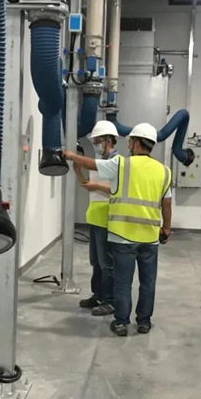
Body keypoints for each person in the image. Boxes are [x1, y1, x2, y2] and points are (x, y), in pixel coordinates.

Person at [64, 123, 172, 337]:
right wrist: (166, 228)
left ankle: (121, 322)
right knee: (148, 283)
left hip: (123, 236)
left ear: (137, 143)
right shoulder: (164, 171)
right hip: (150, 237)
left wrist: (71, 155)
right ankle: (144, 322)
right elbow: (166, 203)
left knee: (123, 282)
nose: (128, 145)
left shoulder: (121, 164)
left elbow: (92, 164)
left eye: (130, 141)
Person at [74, 121, 119, 316]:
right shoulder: (99, 162)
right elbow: (88, 185)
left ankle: (110, 301)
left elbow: (118, 190)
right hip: (94, 216)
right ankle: (98, 295)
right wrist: (78, 172)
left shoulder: (116, 162)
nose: (96, 145)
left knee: (107, 263)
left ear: (108, 140)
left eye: (98, 141)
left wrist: (98, 187)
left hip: (107, 218)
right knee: (96, 261)